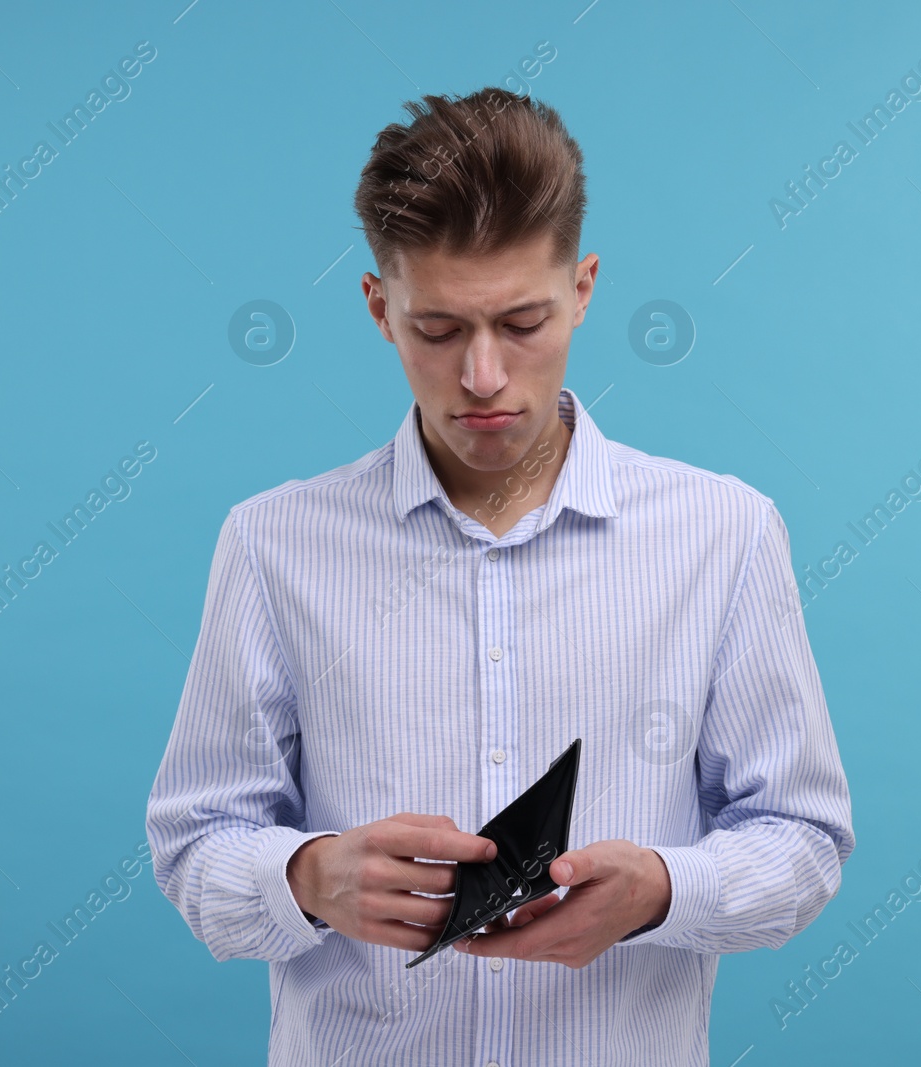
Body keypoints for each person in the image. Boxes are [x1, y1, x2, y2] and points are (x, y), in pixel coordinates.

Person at [146, 86, 854, 1066]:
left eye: (521, 322)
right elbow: (193, 840)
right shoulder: (274, 545)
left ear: (584, 289)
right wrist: (307, 874)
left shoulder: (723, 535)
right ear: (377, 308)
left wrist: (662, 889)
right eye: (437, 329)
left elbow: (803, 836)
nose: (482, 375)